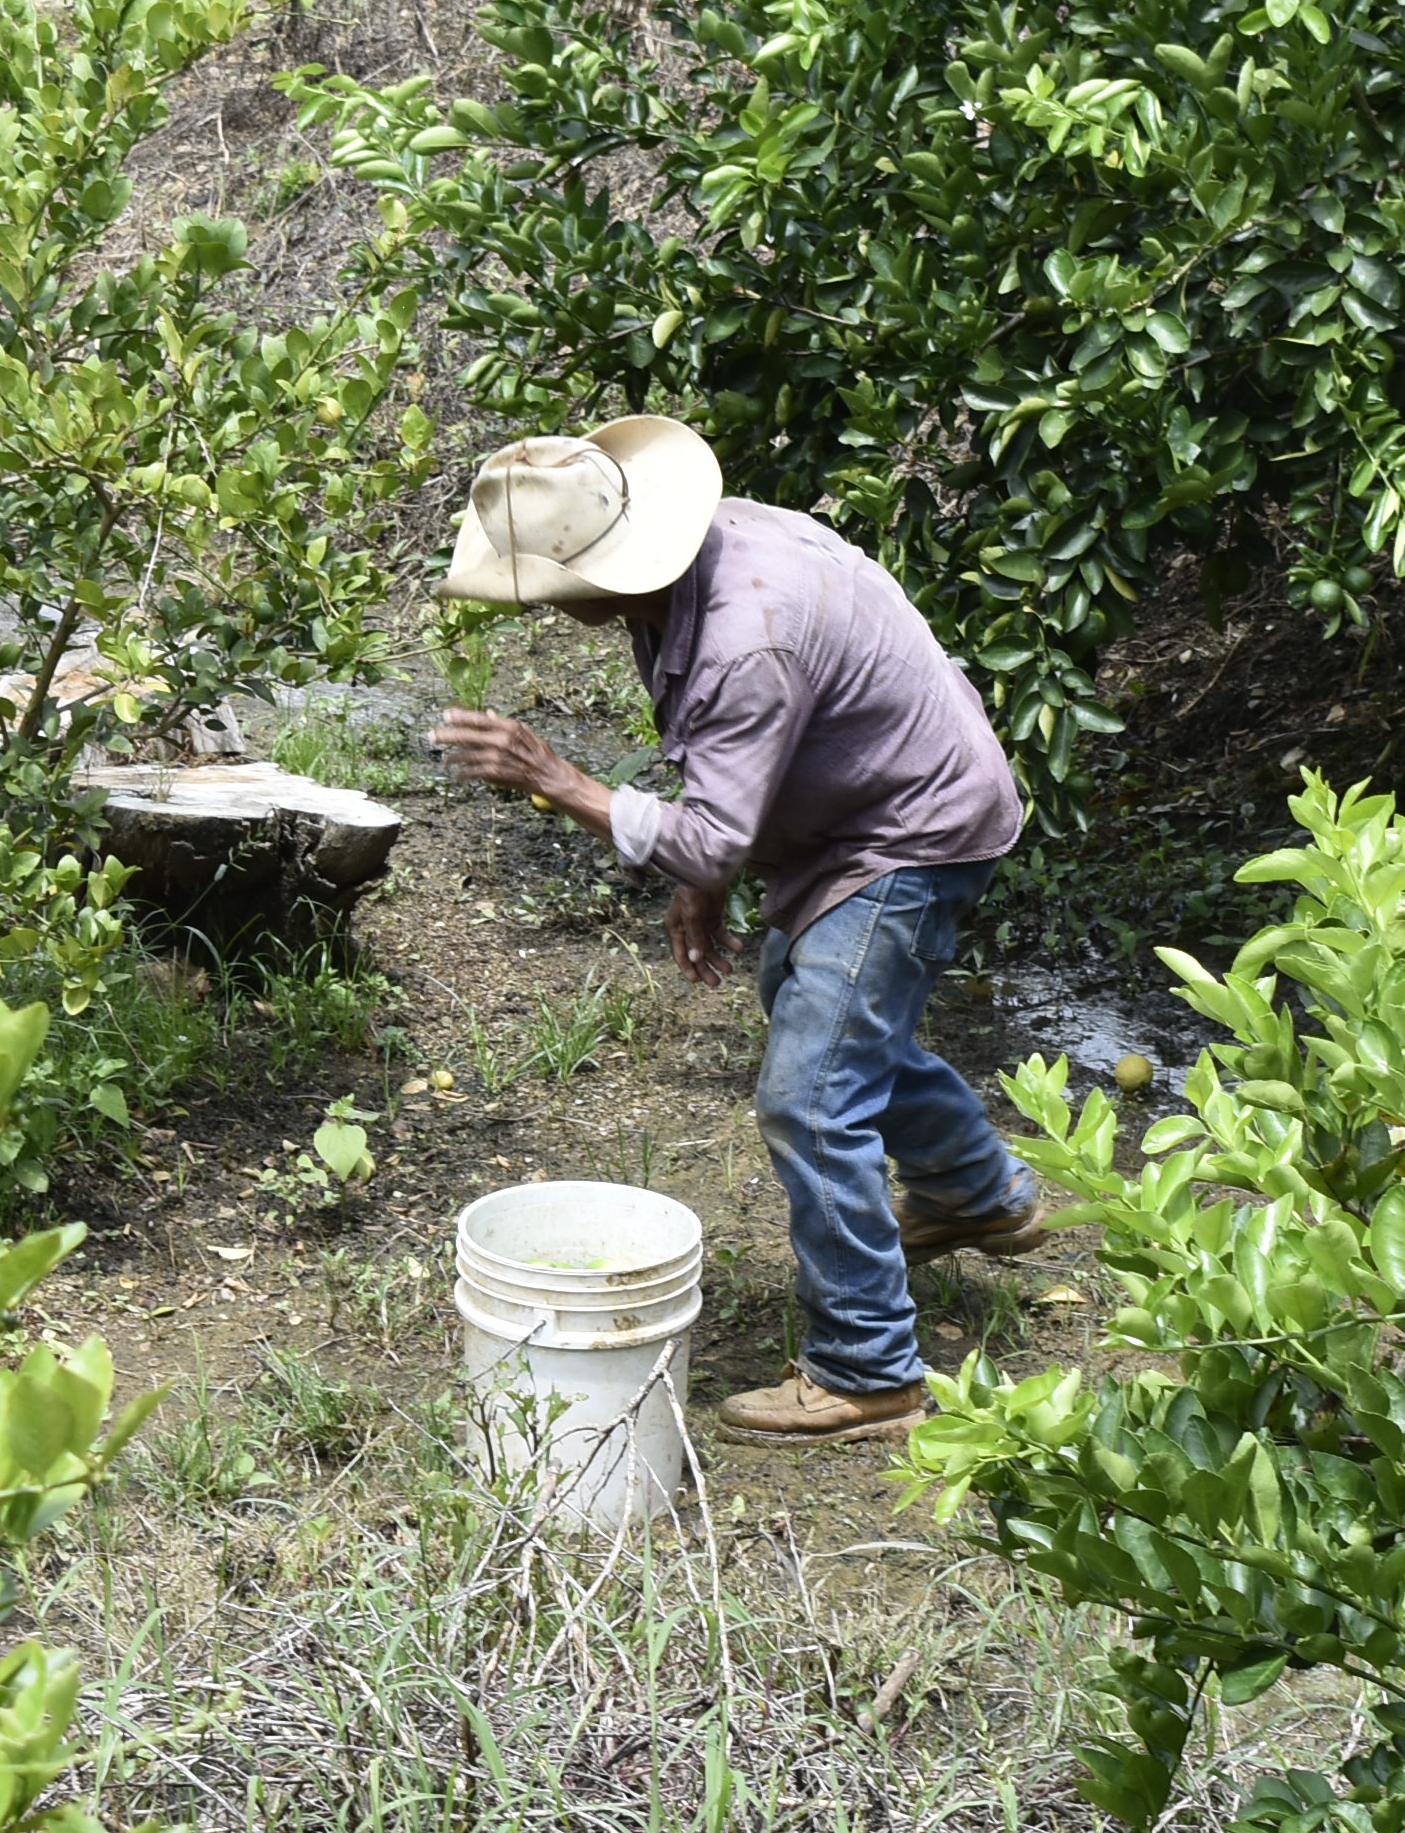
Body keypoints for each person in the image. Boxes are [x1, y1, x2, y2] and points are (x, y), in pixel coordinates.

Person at [429, 416, 1046, 1444]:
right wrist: (697, 869)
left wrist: (561, 783)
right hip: (861, 806)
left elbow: (721, 792)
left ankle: (868, 1370)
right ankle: (974, 1193)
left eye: (548, 590)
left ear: (599, 572)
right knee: (825, 1017)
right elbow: (721, 776)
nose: (549, 609)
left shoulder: (740, 639)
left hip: (910, 831)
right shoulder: (696, 562)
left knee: (810, 1094)